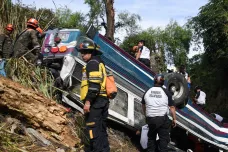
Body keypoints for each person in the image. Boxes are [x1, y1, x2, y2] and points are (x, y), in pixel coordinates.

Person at [77, 37, 110, 152]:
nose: (82, 55)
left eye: (85, 52)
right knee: (101, 130)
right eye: (81, 52)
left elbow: (94, 86)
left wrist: (88, 102)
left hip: (96, 101)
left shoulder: (92, 63)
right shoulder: (99, 62)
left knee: (93, 130)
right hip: (102, 100)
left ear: (91, 52)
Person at [141, 74, 176, 152]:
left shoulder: (147, 91)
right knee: (164, 138)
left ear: (154, 81)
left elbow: (143, 105)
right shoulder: (166, 92)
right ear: (163, 82)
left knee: (151, 138)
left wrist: (146, 115)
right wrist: (174, 119)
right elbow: (172, 107)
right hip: (162, 119)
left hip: (150, 119)